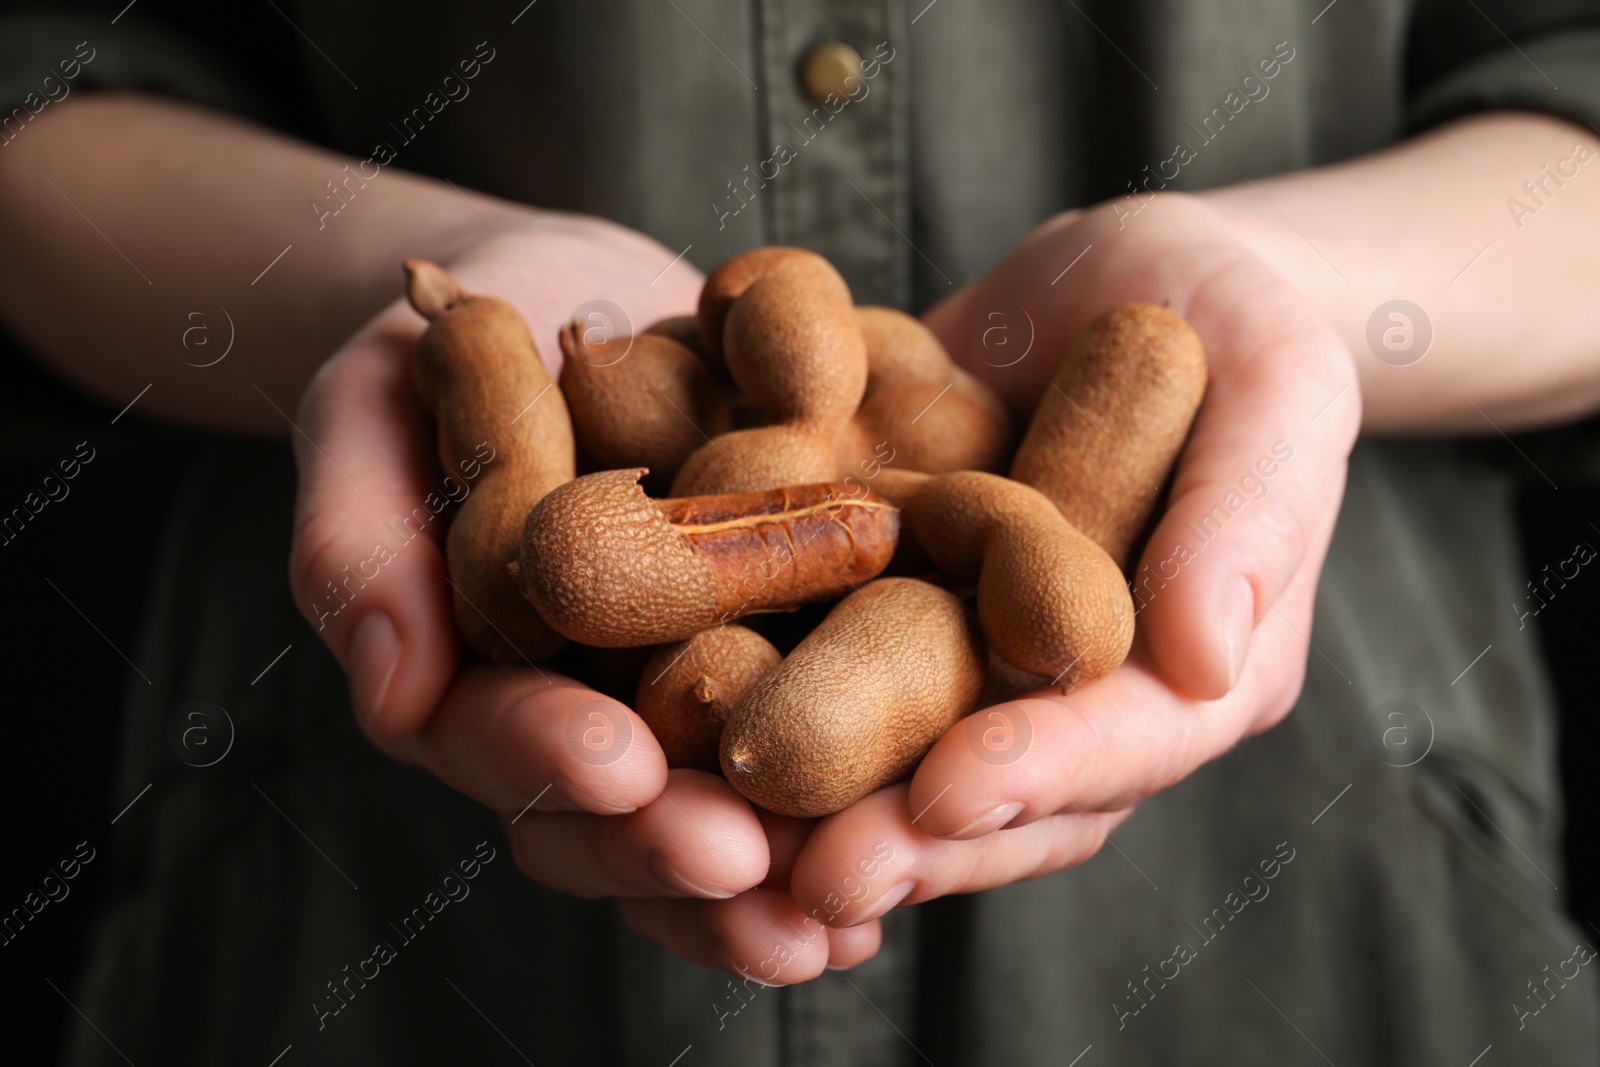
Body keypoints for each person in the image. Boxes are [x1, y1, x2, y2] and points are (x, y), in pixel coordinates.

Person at [2, 1, 1597, 1063]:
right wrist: (405, 281)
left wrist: (1295, 292)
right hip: (358, 925)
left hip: (1343, 919)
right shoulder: (727, 470)